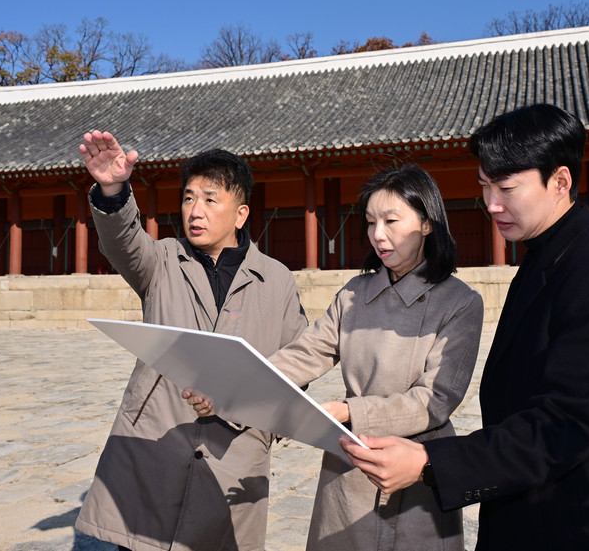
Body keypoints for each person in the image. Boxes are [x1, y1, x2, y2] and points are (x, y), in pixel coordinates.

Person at [340, 104, 589, 550]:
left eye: (507, 188)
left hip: (582, 524)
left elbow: (566, 424)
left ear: (561, 182)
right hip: (530, 511)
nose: (491, 204)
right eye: (485, 186)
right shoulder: (545, 258)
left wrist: (430, 462)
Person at [187, 163, 484, 551]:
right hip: (350, 469)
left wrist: (348, 411)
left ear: (426, 224)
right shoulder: (353, 294)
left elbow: (436, 399)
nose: (378, 235)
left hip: (416, 469)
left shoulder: (460, 303)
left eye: (391, 221)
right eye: (371, 222)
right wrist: (232, 386)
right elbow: (306, 353)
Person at [74, 131, 308, 551]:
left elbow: (299, 364)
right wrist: (113, 191)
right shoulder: (161, 260)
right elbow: (122, 241)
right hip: (155, 443)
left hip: (234, 454)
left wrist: (247, 405)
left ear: (240, 214)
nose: (194, 211)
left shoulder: (276, 280)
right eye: (188, 198)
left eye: (210, 199)